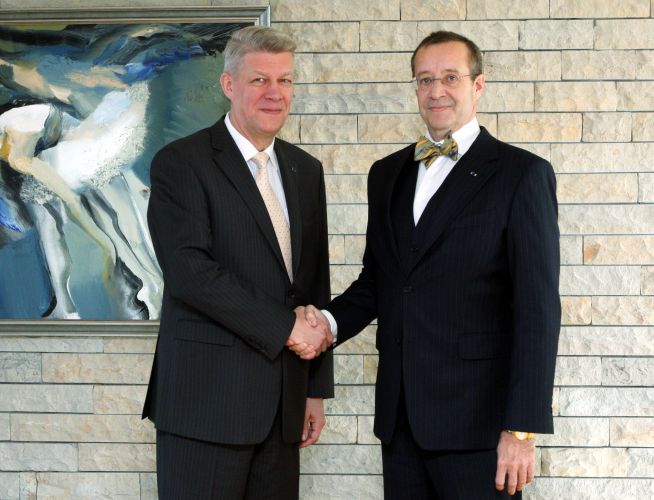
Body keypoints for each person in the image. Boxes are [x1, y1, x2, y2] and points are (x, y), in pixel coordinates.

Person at [303, 31, 561, 498]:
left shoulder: (522, 174)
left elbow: (538, 310)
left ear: (478, 85)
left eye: (450, 77)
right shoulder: (386, 174)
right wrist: (325, 323)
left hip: (480, 426)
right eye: (425, 80)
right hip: (401, 421)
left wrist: (521, 430)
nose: (436, 90)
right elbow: (378, 282)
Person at [141, 26, 334, 499]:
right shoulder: (181, 163)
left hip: (283, 408)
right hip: (206, 406)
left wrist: (314, 390)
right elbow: (191, 274)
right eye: (259, 80)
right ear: (229, 85)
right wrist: (286, 328)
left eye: (284, 80)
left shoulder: (305, 170)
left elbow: (312, 284)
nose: (275, 93)